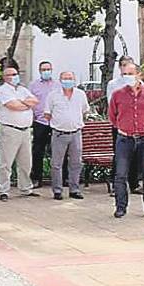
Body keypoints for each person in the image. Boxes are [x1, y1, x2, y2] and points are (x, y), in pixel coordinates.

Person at [108, 63, 144, 219]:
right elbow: (112, 116)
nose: (127, 77)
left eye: (130, 73)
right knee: (120, 175)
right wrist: (124, 127)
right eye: (124, 74)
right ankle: (120, 207)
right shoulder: (118, 94)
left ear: (139, 75)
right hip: (125, 139)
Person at [0, 66, 39, 201]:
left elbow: (35, 101)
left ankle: (25, 188)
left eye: (16, 74)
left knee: (26, 162)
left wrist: (23, 103)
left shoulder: (22, 89)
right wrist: (25, 104)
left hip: (25, 130)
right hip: (10, 129)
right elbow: (13, 105)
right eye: (11, 74)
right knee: (6, 162)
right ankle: (4, 190)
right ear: (4, 77)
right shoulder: (2, 91)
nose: (14, 76)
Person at [45, 71, 90, 200]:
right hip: (59, 133)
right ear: (60, 80)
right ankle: (57, 190)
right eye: (65, 78)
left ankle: (74, 189)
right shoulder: (53, 95)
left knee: (76, 163)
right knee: (56, 164)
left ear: (74, 79)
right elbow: (47, 114)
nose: (67, 80)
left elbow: (84, 111)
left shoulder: (80, 95)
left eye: (70, 78)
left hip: (76, 133)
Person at [106, 56, 138, 195]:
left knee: (135, 155)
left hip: (136, 126)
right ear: (120, 67)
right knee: (119, 155)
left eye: (129, 65)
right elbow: (111, 104)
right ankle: (116, 184)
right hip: (120, 125)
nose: (127, 68)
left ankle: (134, 184)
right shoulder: (113, 84)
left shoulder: (138, 83)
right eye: (124, 65)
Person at [29, 61, 59, 188]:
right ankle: (36, 178)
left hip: (55, 122)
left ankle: (61, 178)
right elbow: (30, 101)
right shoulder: (33, 85)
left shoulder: (58, 85)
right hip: (40, 122)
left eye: (48, 69)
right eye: (44, 69)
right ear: (40, 71)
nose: (46, 71)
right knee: (38, 151)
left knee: (58, 151)